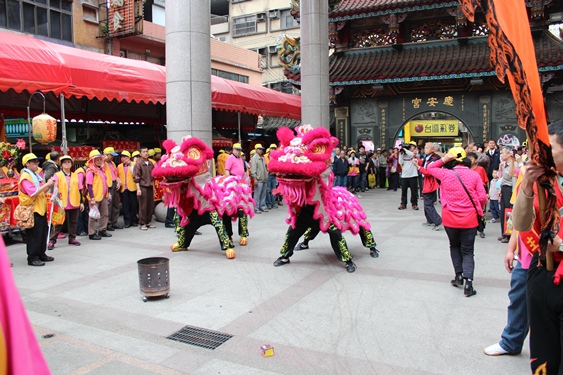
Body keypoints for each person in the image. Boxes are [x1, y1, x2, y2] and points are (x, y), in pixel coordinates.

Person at [423, 147, 487, 297]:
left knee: (454, 246)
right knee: (468, 250)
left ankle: (458, 276)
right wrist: (479, 208)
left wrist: (444, 159)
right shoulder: (474, 175)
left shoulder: (445, 174)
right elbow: (482, 197)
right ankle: (469, 283)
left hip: (450, 219)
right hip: (469, 219)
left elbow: (430, 167)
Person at [18, 153, 56, 266]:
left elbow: (40, 191)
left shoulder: (35, 176)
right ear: (27, 164)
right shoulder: (26, 177)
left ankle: (41, 254)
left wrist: (49, 185)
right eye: (33, 161)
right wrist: (47, 184)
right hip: (33, 209)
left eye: (37, 161)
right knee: (34, 235)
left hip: (40, 208)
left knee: (42, 232)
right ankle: (33, 257)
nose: (36, 164)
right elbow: (33, 192)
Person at [48, 155, 83, 249]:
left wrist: (81, 202)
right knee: (58, 222)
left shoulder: (75, 175)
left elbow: (80, 189)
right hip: (61, 202)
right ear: (61, 164)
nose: (67, 164)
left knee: (73, 221)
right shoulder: (58, 175)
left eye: (69, 162)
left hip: (74, 200)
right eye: (65, 162)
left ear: (72, 164)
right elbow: (53, 188)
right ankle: (52, 240)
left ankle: (72, 238)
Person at [224, 143, 250, 245]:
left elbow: (245, 173)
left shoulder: (241, 159)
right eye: (237, 150)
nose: (238, 151)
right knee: (228, 210)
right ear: (233, 150)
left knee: (243, 209)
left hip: (241, 185)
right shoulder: (230, 158)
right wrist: (228, 184)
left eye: (240, 150)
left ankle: (243, 233)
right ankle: (228, 234)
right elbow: (227, 171)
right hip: (232, 184)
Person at [85, 150, 112, 240]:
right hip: (94, 197)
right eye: (97, 160)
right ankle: (91, 233)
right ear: (92, 161)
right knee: (93, 216)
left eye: (100, 159)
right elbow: (89, 185)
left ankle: (102, 229)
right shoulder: (90, 171)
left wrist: (108, 194)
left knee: (105, 214)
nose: (100, 161)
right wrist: (92, 197)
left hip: (103, 196)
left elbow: (105, 183)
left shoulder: (102, 170)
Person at [416, 142, 442, 230]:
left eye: (427, 148)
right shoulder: (428, 157)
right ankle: (430, 219)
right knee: (426, 202)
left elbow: (428, 172)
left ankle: (438, 221)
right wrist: (417, 161)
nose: (425, 149)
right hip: (426, 181)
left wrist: (418, 167)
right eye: (425, 147)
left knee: (428, 203)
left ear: (432, 149)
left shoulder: (434, 159)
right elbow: (423, 164)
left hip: (430, 182)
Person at [467, 152, 489, 238]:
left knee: (481, 212)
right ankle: (473, 229)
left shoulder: (480, 169)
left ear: (476, 160)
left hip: (480, 193)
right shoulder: (466, 169)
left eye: (471, 159)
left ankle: (481, 229)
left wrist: (488, 192)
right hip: (470, 194)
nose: (470, 160)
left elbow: (486, 181)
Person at [134, 147, 155, 230]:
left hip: (150, 186)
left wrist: (154, 187)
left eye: (147, 151)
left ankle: (148, 222)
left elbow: (153, 177)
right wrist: (138, 189)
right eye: (144, 152)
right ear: (140, 154)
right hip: (142, 186)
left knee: (150, 205)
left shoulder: (150, 163)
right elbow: (136, 178)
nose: (146, 153)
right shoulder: (139, 163)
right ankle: (142, 223)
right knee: (143, 206)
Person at [499, 146, 516, 243]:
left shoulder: (514, 164)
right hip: (504, 189)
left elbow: (514, 180)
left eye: (503, 153)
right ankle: (504, 232)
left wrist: (514, 195)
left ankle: (509, 234)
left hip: (510, 190)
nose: (501, 155)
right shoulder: (504, 165)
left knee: (509, 212)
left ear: (510, 154)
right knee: (503, 212)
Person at [117, 150, 138, 228]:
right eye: (122, 157)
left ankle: (134, 220)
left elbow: (136, 174)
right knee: (125, 205)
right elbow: (117, 176)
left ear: (129, 157)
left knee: (133, 204)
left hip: (132, 187)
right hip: (123, 188)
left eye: (124, 157)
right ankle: (127, 221)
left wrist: (130, 165)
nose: (123, 158)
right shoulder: (119, 166)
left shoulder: (134, 164)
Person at [103, 147, 122, 231]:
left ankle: (114, 222)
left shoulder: (113, 163)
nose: (113, 157)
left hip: (114, 183)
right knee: (109, 205)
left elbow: (115, 174)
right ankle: (108, 223)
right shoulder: (103, 163)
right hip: (108, 185)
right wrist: (104, 158)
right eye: (111, 155)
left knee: (115, 204)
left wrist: (118, 181)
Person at [398, 142, 419, 210]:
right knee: (404, 191)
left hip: (413, 175)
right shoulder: (404, 153)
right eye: (410, 146)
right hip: (404, 175)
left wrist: (405, 150)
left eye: (412, 146)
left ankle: (414, 204)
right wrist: (401, 154)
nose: (411, 147)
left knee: (414, 191)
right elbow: (400, 162)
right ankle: (403, 204)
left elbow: (412, 155)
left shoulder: (415, 153)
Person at [250, 143, 268, 213]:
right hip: (259, 179)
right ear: (256, 150)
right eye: (259, 149)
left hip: (264, 179)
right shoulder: (254, 158)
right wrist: (255, 178)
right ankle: (256, 208)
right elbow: (253, 170)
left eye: (261, 149)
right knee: (257, 194)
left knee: (263, 194)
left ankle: (262, 206)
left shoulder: (262, 158)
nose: (261, 151)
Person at [265, 143, 279, 209]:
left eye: (274, 149)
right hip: (268, 174)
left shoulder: (277, 157)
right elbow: (264, 166)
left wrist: (276, 172)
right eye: (272, 148)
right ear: (269, 149)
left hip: (274, 175)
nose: (273, 150)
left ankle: (273, 202)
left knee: (274, 189)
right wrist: (268, 171)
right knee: (268, 190)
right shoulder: (265, 156)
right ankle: (269, 203)